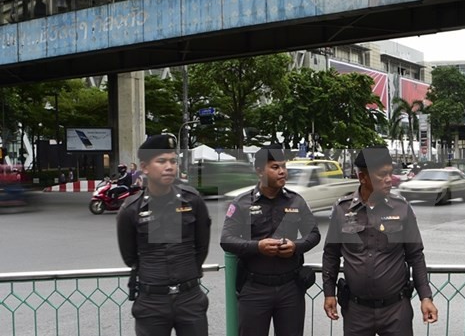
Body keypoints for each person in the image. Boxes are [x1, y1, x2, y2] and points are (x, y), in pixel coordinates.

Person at [322, 146, 438, 336]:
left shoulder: (401, 208)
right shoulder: (342, 210)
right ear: (362, 178)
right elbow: (331, 255)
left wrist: (425, 297)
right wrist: (329, 293)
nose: (388, 180)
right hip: (356, 312)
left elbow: (415, 255)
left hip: (396, 311)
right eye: (381, 175)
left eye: (390, 174)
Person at [116, 134, 211, 336]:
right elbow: (129, 256)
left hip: (190, 299)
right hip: (152, 302)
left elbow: (201, 247)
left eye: (173, 161)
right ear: (145, 167)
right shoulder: (131, 209)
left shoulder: (192, 201)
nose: (169, 167)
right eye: (161, 161)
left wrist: (187, 273)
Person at [220, 145, 321, 336]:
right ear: (259, 171)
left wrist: (296, 247)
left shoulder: (296, 201)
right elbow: (226, 239)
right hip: (254, 289)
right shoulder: (242, 203)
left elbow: (314, 234)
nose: (282, 171)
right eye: (275, 167)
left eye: (284, 166)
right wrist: (257, 247)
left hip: (291, 288)